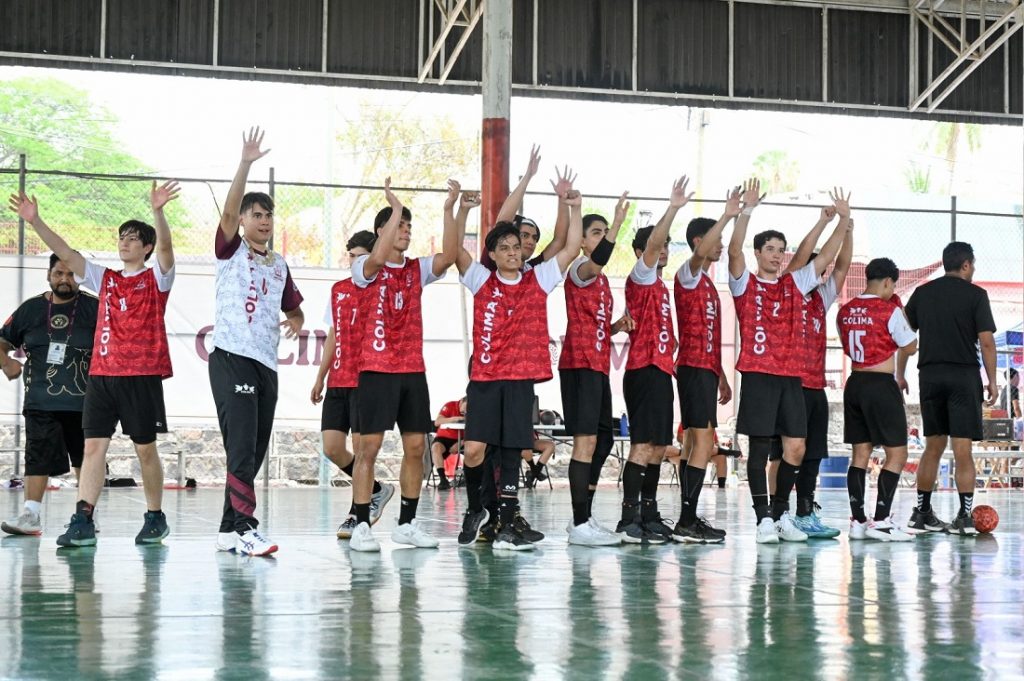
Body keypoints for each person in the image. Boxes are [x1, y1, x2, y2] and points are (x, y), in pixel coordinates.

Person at [10, 181, 179, 548]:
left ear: (146, 248)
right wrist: (35, 220)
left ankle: (155, 516)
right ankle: (83, 519)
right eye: (122, 237)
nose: (125, 243)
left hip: (140, 376)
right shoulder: (107, 279)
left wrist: (158, 212)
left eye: (133, 239)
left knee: (144, 449)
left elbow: (167, 249)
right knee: (91, 449)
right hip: (101, 377)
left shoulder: (156, 278)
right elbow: (66, 253)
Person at [453, 180, 583, 551]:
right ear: (492, 255)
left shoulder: (537, 277)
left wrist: (574, 206)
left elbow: (571, 247)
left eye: (516, 247)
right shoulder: (481, 279)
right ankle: (476, 509)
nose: (512, 252)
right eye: (505, 248)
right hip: (485, 379)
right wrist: (460, 210)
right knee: (474, 450)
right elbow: (454, 249)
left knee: (513, 451)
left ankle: (509, 522)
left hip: (521, 378)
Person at [727, 182, 851, 544]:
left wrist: (839, 221)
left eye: (781, 250)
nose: (776, 255)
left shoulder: (793, 285)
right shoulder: (744, 284)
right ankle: (762, 518)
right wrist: (746, 211)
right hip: (758, 375)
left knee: (796, 447)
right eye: (770, 249)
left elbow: (825, 258)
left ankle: (781, 514)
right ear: (757, 253)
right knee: (759, 449)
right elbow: (733, 250)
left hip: (790, 377)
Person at [348, 177, 460, 552]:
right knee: (368, 449)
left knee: (415, 448)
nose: (406, 231)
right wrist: (394, 208)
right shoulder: (364, 266)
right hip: (376, 370)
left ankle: (407, 524)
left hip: (412, 371)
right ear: (382, 231)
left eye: (409, 226)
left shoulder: (416, 269)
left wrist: (450, 209)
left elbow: (450, 254)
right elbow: (378, 258)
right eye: (399, 225)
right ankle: (361, 524)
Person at [210, 129, 305, 557]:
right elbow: (229, 211)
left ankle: (228, 531)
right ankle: (248, 528)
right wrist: (245, 163)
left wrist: (296, 322)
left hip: (267, 364)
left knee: (255, 447)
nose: (264, 221)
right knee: (241, 445)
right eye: (257, 215)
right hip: (232, 357)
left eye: (268, 215)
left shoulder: (279, 263)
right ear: (244, 221)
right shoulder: (230, 249)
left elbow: (295, 309)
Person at [616, 176, 693, 544]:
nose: (662, 250)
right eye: (656, 246)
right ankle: (628, 517)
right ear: (641, 252)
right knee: (643, 446)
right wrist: (673, 208)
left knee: (660, 448)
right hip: (643, 370)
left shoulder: (662, 286)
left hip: (661, 371)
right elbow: (653, 244)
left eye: (665, 247)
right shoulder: (641, 276)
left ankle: (649, 514)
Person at [769, 210, 853, 539]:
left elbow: (841, 267)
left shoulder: (820, 298)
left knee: (813, 454)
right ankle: (778, 514)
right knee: (784, 454)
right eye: (816, 269)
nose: (821, 274)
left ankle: (805, 513)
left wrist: (847, 229)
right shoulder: (786, 290)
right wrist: (828, 223)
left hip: (816, 387)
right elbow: (810, 258)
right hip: (790, 385)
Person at [1, 254, 98, 536]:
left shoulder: (96, 307)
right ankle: (30, 516)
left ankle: (87, 516)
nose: (65, 280)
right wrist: (6, 363)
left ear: (80, 277)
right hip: (40, 400)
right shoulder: (30, 309)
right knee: (37, 456)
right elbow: (2, 342)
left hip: (86, 402)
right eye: (59, 273)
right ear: (48, 275)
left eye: (71, 274)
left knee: (86, 459)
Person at [904, 241, 997, 535]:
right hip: (963, 376)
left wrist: (898, 373)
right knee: (962, 449)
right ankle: (965, 517)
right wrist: (992, 381)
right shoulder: (976, 295)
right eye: (973, 265)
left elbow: (904, 335)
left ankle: (921, 513)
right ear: (966, 265)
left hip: (930, 375)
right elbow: (986, 342)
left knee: (933, 446)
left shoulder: (922, 293)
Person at [558, 194, 634, 545]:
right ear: (583, 241)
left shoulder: (602, 282)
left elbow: (596, 324)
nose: (602, 237)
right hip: (579, 365)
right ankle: (578, 523)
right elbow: (600, 259)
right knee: (586, 441)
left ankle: (584, 516)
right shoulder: (580, 270)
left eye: (605, 231)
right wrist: (617, 223)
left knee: (603, 441)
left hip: (599, 366)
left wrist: (617, 327)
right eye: (596, 232)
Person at [310, 230, 395, 538]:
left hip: (367, 380)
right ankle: (377, 489)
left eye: (362, 257)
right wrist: (320, 376)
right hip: (338, 380)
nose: (355, 262)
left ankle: (356, 514)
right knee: (332, 448)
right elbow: (333, 335)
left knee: (362, 453)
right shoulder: (339, 290)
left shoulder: (383, 289)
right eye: (352, 256)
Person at [670, 187, 741, 543]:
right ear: (700, 240)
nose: (721, 245)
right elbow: (699, 254)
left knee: (692, 442)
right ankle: (687, 521)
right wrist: (727, 214)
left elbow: (709, 334)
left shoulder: (710, 284)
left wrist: (722, 376)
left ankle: (688, 518)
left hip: (705, 369)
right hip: (692, 367)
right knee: (702, 440)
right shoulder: (689, 273)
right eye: (717, 239)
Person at [838, 258, 918, 541]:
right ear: (887, 282)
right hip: (881, 384)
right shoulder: (889, 310)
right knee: (897, 454)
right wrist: (899, 311)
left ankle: (858, 521)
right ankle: (882, 520)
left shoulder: (844, 311)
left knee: (860, 454)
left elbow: (848, 346)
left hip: (855, 383)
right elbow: (911, 346)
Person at [431, 396, 467, 490]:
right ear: (461, 401)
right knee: (436, 447)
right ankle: (443, 479)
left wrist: (461, 442)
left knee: (476, 448)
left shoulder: (474, 410)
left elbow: (477, 431)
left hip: (463, 439)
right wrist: (454, 419)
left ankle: (469, 478)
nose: (466, 411)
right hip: (444, 438)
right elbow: (437, 422)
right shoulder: (450, 405)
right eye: (465, 407)